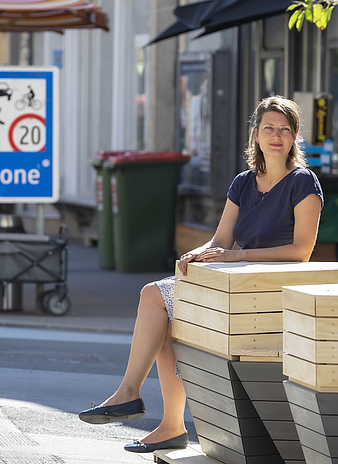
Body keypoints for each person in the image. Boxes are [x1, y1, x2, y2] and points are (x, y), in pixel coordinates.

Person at [78, 95, 323, 453]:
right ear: (255, 135)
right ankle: (166, 422)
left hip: (271, 288)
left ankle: (134, 397)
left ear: (294, 136)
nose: (276, 135)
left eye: (284, 130)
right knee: (159, 302)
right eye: (268, 128)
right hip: (235, 282)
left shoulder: (304, 182)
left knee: (158, 300)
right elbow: (221, 239)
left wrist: (238, 256)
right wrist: (199, 253)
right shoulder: (243, 182)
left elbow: (301, 251)